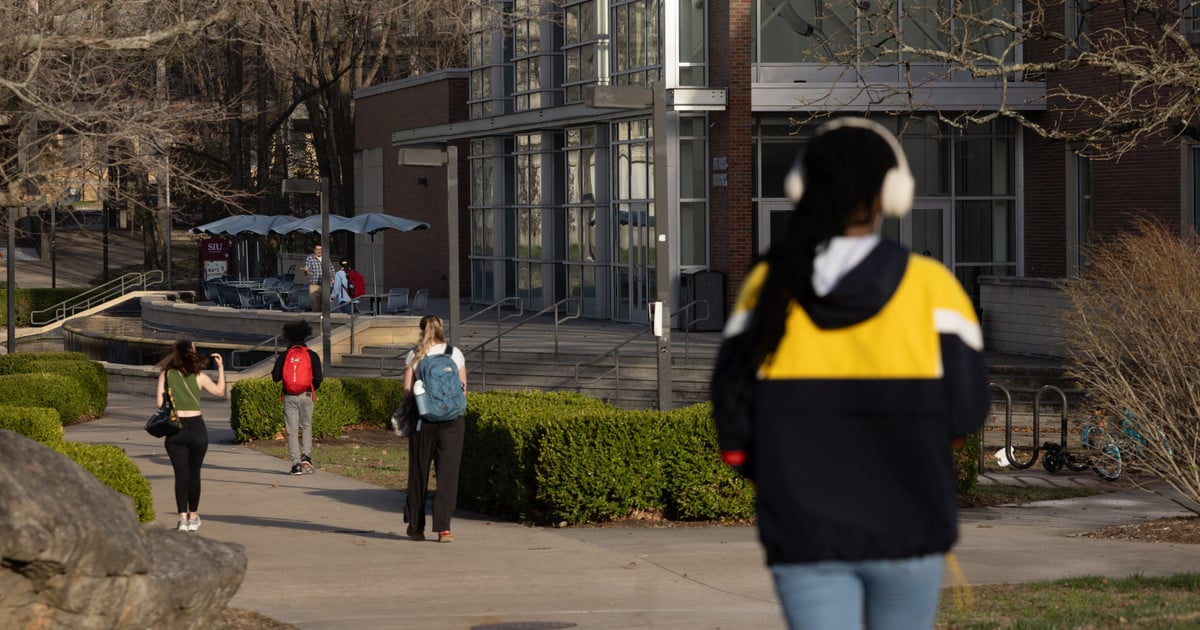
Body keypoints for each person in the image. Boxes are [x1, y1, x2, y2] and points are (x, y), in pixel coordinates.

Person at [711, 118, 988, 630]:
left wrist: (786, 476)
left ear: (801, 189)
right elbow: (967, 413)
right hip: (909, 530)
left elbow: (734, 427)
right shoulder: (935, 290)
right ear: (893, 194)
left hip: (803, 533)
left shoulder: (766, 289)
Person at [403, 315, 467, 543]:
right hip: (452, 421)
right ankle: (444, 528)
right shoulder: (454, 354)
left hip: (423, 420)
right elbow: (463, 390)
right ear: (442, 329)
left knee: (419, 472)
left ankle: (416, 527)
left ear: (421, 331)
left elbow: (408, 390)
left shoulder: (415, 355)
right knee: (448, 474)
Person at [156, 339, 225, 533]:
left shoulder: (166, 375)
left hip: (175, 429)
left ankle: (182, 520)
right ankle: (193, 516)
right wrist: (220, 368)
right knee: (195, 474)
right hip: (197, 429)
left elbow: (160, 404)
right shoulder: (199, 376)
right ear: (191, 353)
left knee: (180, 476)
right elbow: (220, 392)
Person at [271, 320, 324, 475]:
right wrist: (310, 387)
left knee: (292, 430)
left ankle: (296, 464)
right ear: (305, 335)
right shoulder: (311, 355)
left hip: (289, 397)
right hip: (307, 395)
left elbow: (275, 377)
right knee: (306, 426)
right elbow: (319, 378)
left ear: (288, 336)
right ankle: (306, 455)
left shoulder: (285, 355)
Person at [303, 244, 332, 312]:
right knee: (315, 306)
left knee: (326, 306)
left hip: (325, 285)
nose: (319, 251)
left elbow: (331, 269)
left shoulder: (326, 258)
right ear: (314, 250)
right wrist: (306, 271)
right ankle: (317, 321)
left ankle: (325, 321)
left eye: (321, 249)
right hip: (314, 285)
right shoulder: (310, 258)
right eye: (318, 249)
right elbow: (307, 271)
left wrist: (332, 278)